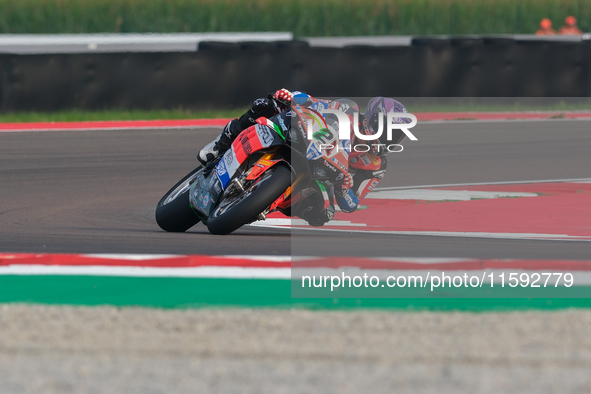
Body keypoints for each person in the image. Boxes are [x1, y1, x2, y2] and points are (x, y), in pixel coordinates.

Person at [198, 90, 408, 226]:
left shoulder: (376, 166)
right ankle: (219, 145)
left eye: (397, 134)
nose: (391, 138)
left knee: (323, 214)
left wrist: (344, 189)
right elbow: (317, 104)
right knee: (265, 104)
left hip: (323, 176)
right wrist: (293, 97)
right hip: (307, 138)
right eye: (389, 130)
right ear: (374, 119)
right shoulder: (349, 109)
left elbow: (351, 204)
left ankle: (265, 201)